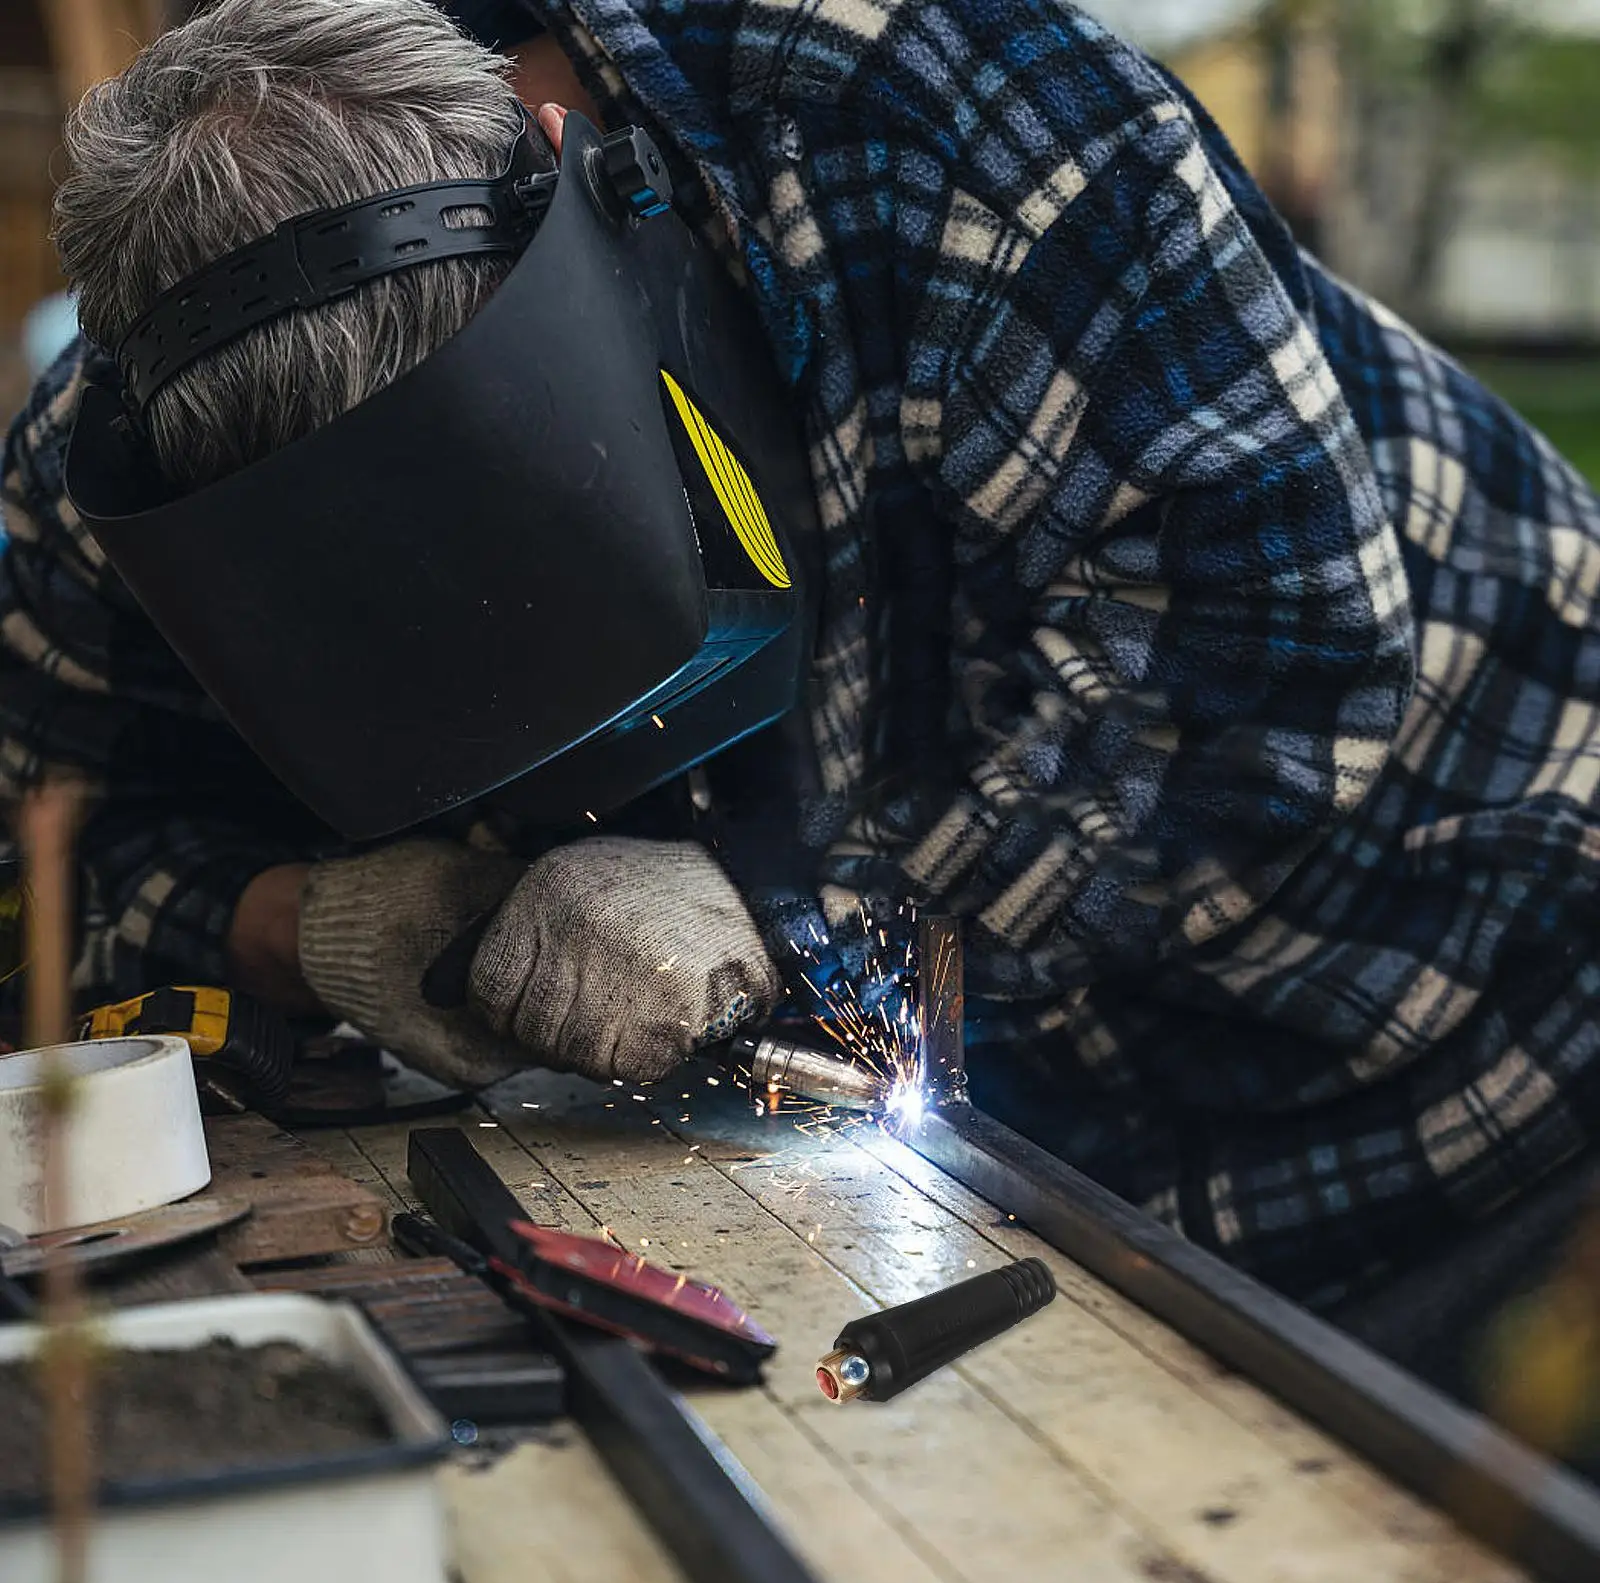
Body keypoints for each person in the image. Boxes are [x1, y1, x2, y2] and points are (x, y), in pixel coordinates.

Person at [4, 0, 1598, 1312]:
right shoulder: (118, 463)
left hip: (1461, 1011)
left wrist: (799, 920)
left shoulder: (949, 113)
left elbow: (1270, 667)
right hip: (992, 1182)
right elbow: (48, 849)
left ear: (559, 161)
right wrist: (310, 930)